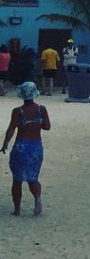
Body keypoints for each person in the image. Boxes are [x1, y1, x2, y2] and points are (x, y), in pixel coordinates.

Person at [1, 82, 50, 215]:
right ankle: (37, 198)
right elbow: (47, 127)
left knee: (17, 180)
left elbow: (11, 128)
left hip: (20, 147)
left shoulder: (18, 111)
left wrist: (5, 143)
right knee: (33, 178)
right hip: (36, 147)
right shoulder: (42, 109)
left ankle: (17, 209)